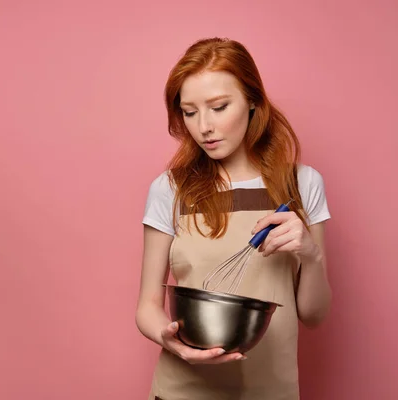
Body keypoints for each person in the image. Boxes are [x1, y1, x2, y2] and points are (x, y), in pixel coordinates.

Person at [135, 37, 332, 400]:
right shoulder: (169, 189)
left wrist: (311, 254)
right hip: (183, 390)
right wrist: (173, 341)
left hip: (272, 391)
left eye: (219, 106)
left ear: (253, 101)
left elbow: (314, 315)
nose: (204, 127)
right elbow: (147, 305)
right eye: (189, 112)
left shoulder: (302, 185)